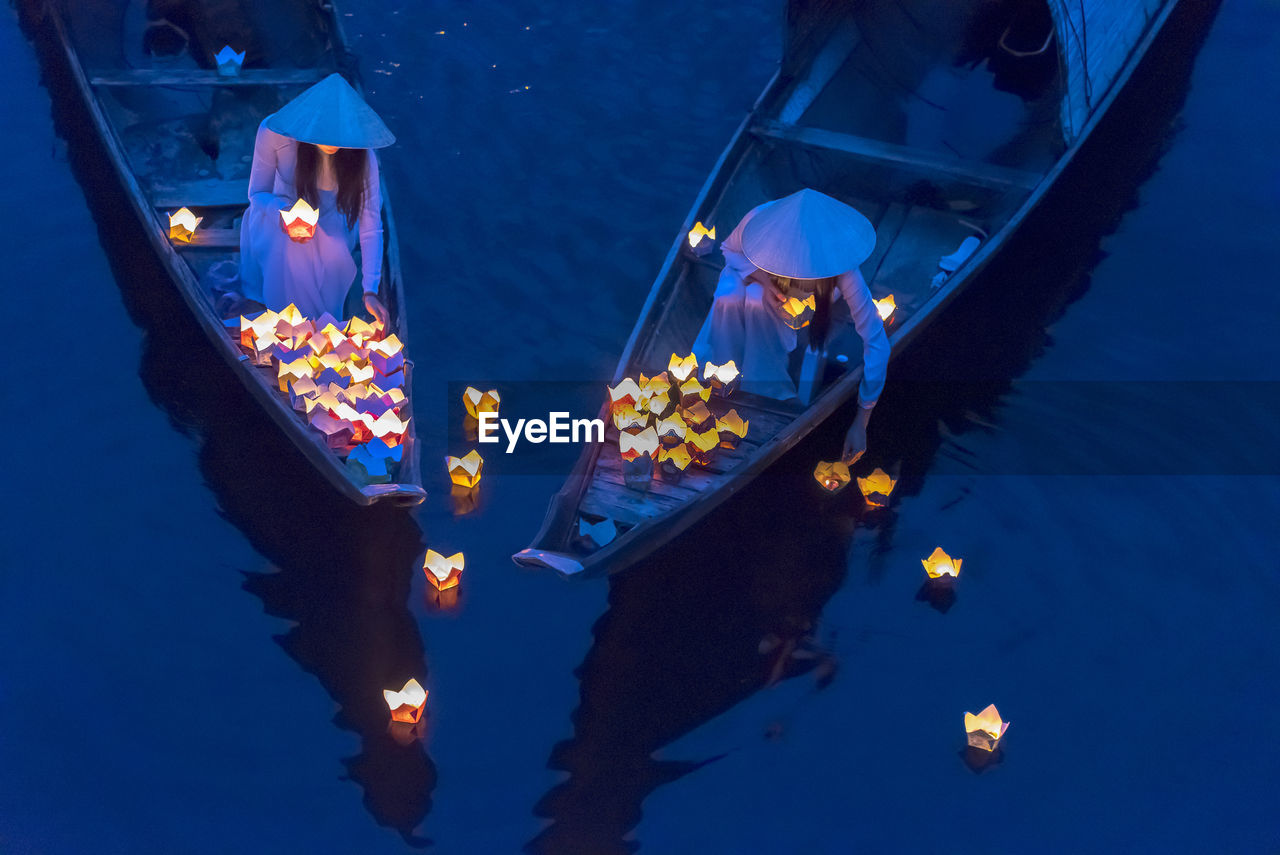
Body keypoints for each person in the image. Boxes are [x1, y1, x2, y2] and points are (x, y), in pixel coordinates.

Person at [692, 188, 889, 463]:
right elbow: (728, 249)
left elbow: (876, 341)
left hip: (797, 307)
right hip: (751, 275)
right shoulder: (758, 221)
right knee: (730, 297)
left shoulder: (841, 266)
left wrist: (861, 420)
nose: (797, 272)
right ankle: (721, 373)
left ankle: (761, 385)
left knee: (757, 303)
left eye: (807, 270)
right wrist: (761, 276)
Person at [239, 73, 394, 325]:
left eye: (342, 132)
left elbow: (371, 225)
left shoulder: (363, 156)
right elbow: (256, 195)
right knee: (290, 249)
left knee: (333, 253)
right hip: (277, 211)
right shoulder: (274, 132)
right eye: (328, 131)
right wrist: (283, 212)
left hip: (333, 217)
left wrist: (370, 290)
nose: (336, 140)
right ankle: (287, 325)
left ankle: (317, 329)